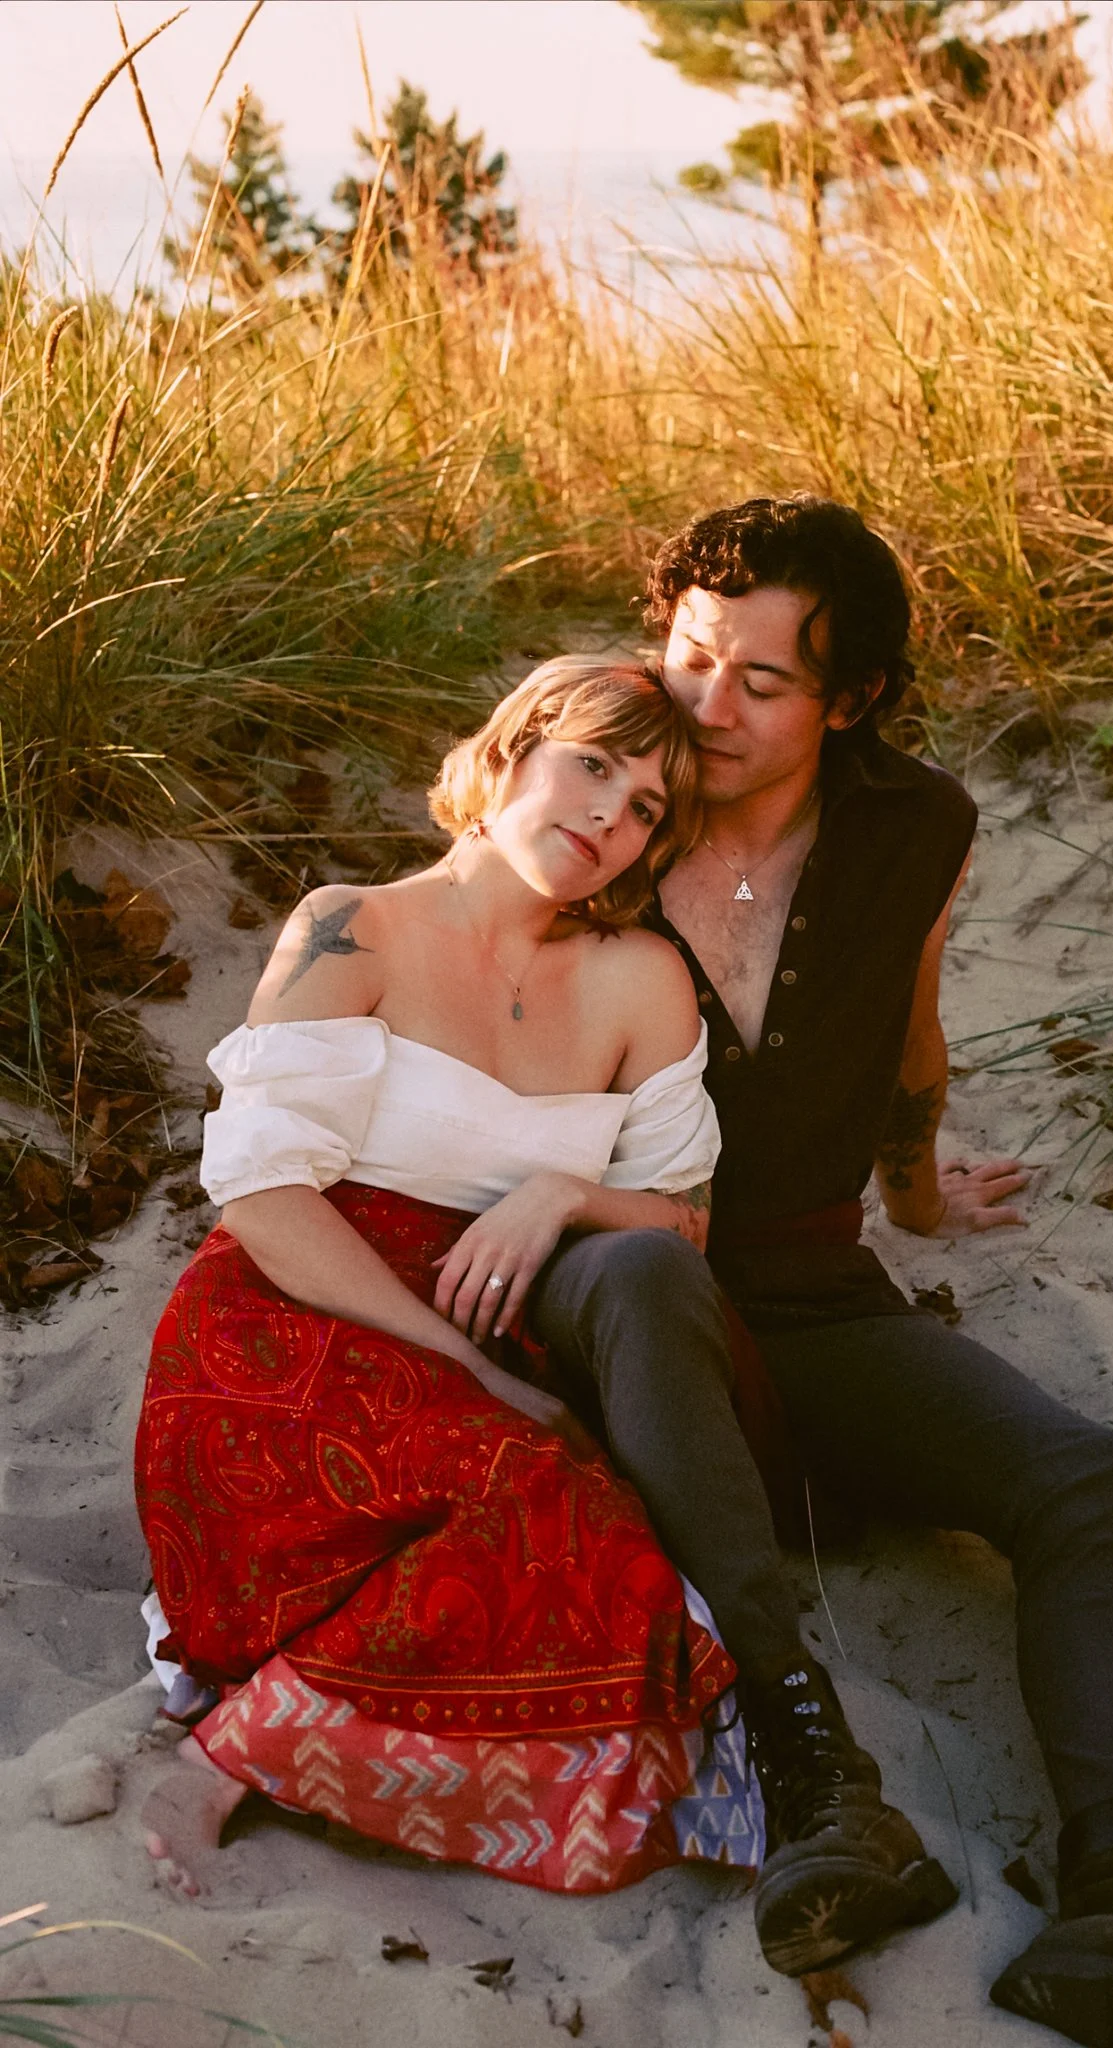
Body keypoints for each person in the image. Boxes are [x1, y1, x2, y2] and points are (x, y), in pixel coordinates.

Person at [527, 500, 1113, 2046]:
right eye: (692, 656)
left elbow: (907, 1039)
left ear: (847, 701)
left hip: (806, 1288)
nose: (705, 707)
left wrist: (917, 1198)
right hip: (607, 1295)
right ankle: (822, 1793)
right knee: (644, 1293)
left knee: (1083, 1477)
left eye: (759, 683)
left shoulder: (916, 825)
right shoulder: (595, 795)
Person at [134, 657, 765, 1900]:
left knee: (611, 1568)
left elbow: (680, 1221)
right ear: (513, 747)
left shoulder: (640, 974)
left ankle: (273, 1736)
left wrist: (564, 1194)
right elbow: (263, 1192)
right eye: (591, 763)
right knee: (519, 1483)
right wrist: (464, 1365)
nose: (607, 816)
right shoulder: (350, 922)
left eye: (645, 805)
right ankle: (240, 1754)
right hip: (293, 1313)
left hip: (497, 1320)